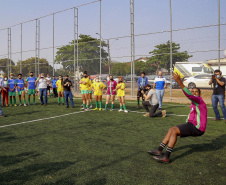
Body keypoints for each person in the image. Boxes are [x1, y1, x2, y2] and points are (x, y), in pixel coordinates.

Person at [147, 72, 207, 164]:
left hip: (197, 128)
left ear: (199, 94)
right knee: (171, 129)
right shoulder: (194, 103)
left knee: (174, 131)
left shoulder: (199, 100)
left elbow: (188, 95)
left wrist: (180, 82)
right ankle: (159, 150)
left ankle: (166, 157)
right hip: (191, 125)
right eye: (193, 91)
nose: (194, 93)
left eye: (196, 92)